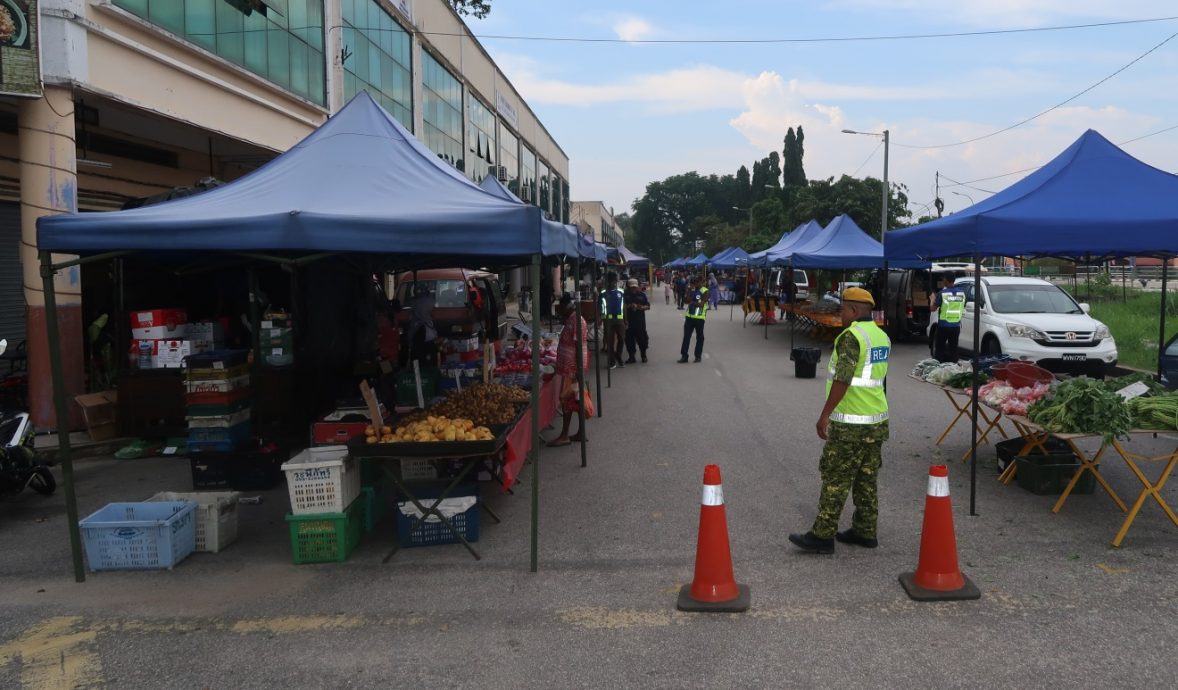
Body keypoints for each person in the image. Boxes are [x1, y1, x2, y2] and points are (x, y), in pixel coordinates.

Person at [789, 287, 890, 554]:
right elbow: (880, 382)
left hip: (851, 424)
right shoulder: (881, 336)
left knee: (836, 478)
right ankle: (865, 531)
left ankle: (822, 536)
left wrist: (824, 416)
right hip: (876, 421)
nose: (841, 313)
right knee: (866, 479)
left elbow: (843, 379)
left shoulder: (851, 337)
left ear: (855, 311)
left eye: (843, 309)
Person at [548, 294, 592, 447]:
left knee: (567, 399)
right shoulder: (572, 319)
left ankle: (564, 435)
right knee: (576, 399)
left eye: (560, 306)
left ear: (567, 306)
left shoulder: (576, 320)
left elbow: (579, 346)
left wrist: (578, 369)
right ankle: (580, 432)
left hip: (572, 369)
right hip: (571, 368)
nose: (558, 309)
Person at [933, 274, 966, 362]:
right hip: (956, 326)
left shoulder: (942, 294)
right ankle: (953, 369)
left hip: (944, 326)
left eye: (943, 279)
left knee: (939, 349)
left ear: (946, 280)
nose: (943, 281)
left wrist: (932, 299)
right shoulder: (961, 293)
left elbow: (933, 309)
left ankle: (939, 369)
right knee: (954, 350)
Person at [404, 283, 438, 368]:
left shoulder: (414, 303)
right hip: (424, 332)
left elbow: (410, 316)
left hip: (418, 330)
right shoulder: (431, 301)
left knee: (418, 357)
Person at [600, 272, 627, 369]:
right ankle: (612, 361)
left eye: (615, 281)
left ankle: (618, 356)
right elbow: (600, 307)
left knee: (622, 338)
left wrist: (625, 319)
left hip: (619, 320)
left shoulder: (621, 292)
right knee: (610, 341)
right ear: (607, 282)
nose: (613, 283)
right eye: (611, 281)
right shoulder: (603, 293)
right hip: (608, 320)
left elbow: (623, 306)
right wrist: (600, 319)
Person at [678, 277, 708, 363]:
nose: (695, 284)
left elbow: (701, 304)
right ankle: (684, 356)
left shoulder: (705, 291)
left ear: (701, 282)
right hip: (689, 317)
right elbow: (686, 301)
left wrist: (692, 302)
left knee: (700, 338)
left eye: (697, 282)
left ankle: (698, 356)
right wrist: (688, 291)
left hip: (699, 318)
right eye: (694, 282)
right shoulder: (692, 290)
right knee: (686, 337)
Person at [624, 278, 651, 363]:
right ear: (628, 287)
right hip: (629, 322)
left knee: (642, 340)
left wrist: (640, 307)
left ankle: (643, 355)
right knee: (629, 340)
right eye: (632, 287)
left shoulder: (642, 295)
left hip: (640, 322)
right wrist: (629, 306)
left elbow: (648, 306)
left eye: (635, 287)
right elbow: (622, 307)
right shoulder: (625, 295)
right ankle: (631, 357)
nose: (633, 289)